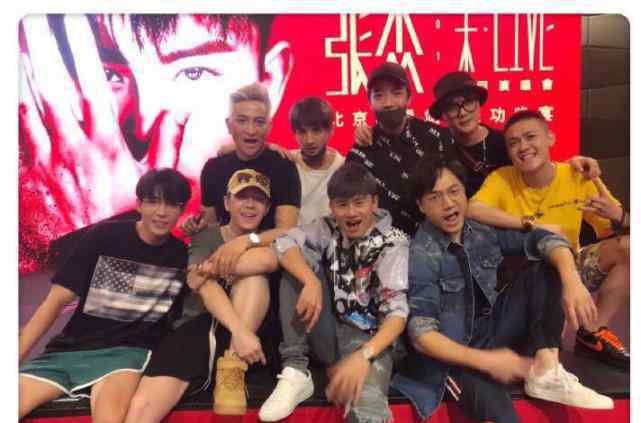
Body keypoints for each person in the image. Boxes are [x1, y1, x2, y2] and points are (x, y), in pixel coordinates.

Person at [18, 14, 292, 272]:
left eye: (193, 72)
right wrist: (91, 224)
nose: (143, 126)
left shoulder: (280, 177)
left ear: (269, 85)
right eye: (110, 76)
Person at [392, 155, 613, 423]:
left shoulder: (480, 230)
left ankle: (547, 371)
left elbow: (543, 238)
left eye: (454, 191)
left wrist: (572, 280)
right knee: (503, 417)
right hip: (456, 357)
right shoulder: (421, 255)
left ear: (465, 191)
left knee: (547, 264)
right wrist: (489, 361)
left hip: (492, 330)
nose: (448, 203)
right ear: (421, 205)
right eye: (435, 197)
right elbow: (422, 336)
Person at [19, 168, 192, 421]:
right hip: (70, 350)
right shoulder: (105, 236)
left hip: (127, 354)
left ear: (181, 209)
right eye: (153, 201)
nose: (162, 212)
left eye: (171, 204)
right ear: (139, 204)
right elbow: (55, 301)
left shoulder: (182, 256)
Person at [468, 110, 630, 370]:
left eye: (530, 137)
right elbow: (473, 209)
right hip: (529, 276)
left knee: (629, 248)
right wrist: (531, 224)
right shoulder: (502, 179)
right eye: (513, 143)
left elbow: (618, 227)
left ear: (550, 138)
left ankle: (592, 333)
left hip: (571, 266)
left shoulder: (576, 176)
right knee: (537, 349)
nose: (523, 147)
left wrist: (618, 216)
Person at [258, 162, 409, 423]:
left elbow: (397, 314)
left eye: (359, 203)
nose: (351, 212)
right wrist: (311, 281)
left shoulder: (394, 243)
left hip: (372, 340)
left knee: (367, 412)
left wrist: (363, 356)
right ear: (331, 206)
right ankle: (296, 369)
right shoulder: (327, 227)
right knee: (297, 265)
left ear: (374, 202)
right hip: (329, 329)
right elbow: (283, 242)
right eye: (342, 204)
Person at [124, 169, 279, 421]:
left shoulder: (269, 237)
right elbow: (200, 284)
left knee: (254, 277)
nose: (250, 205)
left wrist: (211, 267)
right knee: (142, 406)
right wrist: (240, 331)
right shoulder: (207, 235)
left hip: (249, 339)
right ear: (227, 203)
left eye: (258, 199)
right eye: (242, 197)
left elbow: (266, 260)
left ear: (267, 207)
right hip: (201, 325)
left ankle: (232, 370)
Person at [353, 69, 602, 199]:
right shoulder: (436, 143)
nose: (462, 112)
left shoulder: (505, 142)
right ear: (443, 114)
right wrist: (370, 131)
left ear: (479, 104)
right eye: (453, 107)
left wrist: (572, 165)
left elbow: (537, 165)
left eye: (468, 102)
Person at [346, 62, 456, 237]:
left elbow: (456, 192)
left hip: (440, 237)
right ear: (369, 102)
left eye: (396, 93)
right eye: (379, 95)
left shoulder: (436, 138)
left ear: (409, 98)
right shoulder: (359, 154)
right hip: (385, 245)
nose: (388, 103)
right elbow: (354, 210)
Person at [289, 96, 346, 225]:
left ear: (330, 130)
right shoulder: (287, 163)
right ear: (295, 133)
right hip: (291, 236)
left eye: (316, 130)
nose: (309, 140)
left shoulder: (342, 167)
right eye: (302, 132)